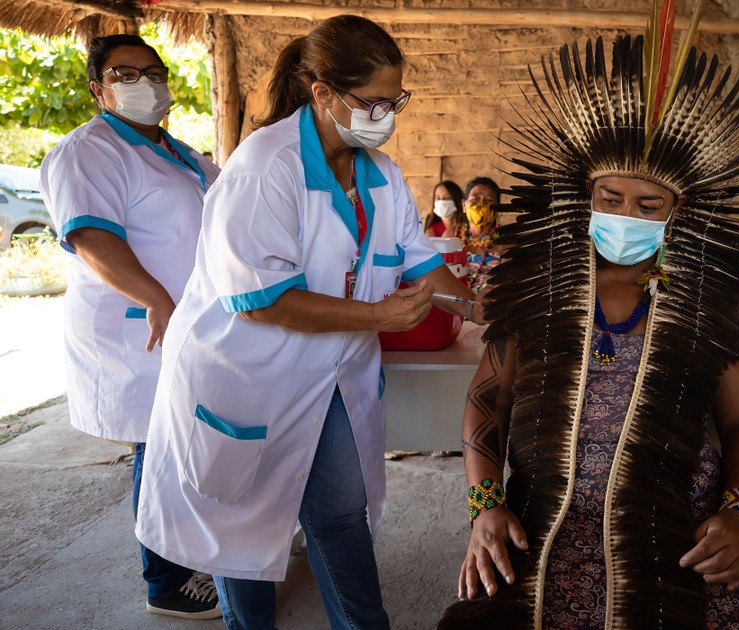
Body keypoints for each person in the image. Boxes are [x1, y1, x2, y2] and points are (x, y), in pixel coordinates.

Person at [135, 15, 480, 630]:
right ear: (322, 93)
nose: (386, 114)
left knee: (341, 513)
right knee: (240, 525)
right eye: (373, 101)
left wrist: (487, 311)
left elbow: (425, 261)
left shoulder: (380, 174)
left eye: (395, 100)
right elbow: (262, 299)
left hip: (333, 378)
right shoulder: (265, 169)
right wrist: (375, 315)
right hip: (245, 378)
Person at [440, 10, 739, 630]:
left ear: (678, 210)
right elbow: (486, 406)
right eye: (610, 199)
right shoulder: (538, 287)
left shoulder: (706, 298)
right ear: (584, 197)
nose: (627, 215)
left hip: (672, 522)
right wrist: (485, 506)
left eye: (648, 204)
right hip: (543, 517)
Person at [39, 34, 221, 619]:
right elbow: (92, 237)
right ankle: (163, 580)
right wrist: (156, 297)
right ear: (98, 88)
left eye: (153, 71)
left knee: (186, 440)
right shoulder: (87, 151)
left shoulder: (180, 153)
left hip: (189, 322)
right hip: (136, 324)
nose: (144, 83)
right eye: (125, 73)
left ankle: (196, 550)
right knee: (157, 442)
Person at [459, 176, 504, 293]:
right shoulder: (452, 236)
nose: (481, 204)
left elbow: (506, 284)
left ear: (497, 209)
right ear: (464, 205)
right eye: (475, 199)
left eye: (489, 200)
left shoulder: (505, 241)